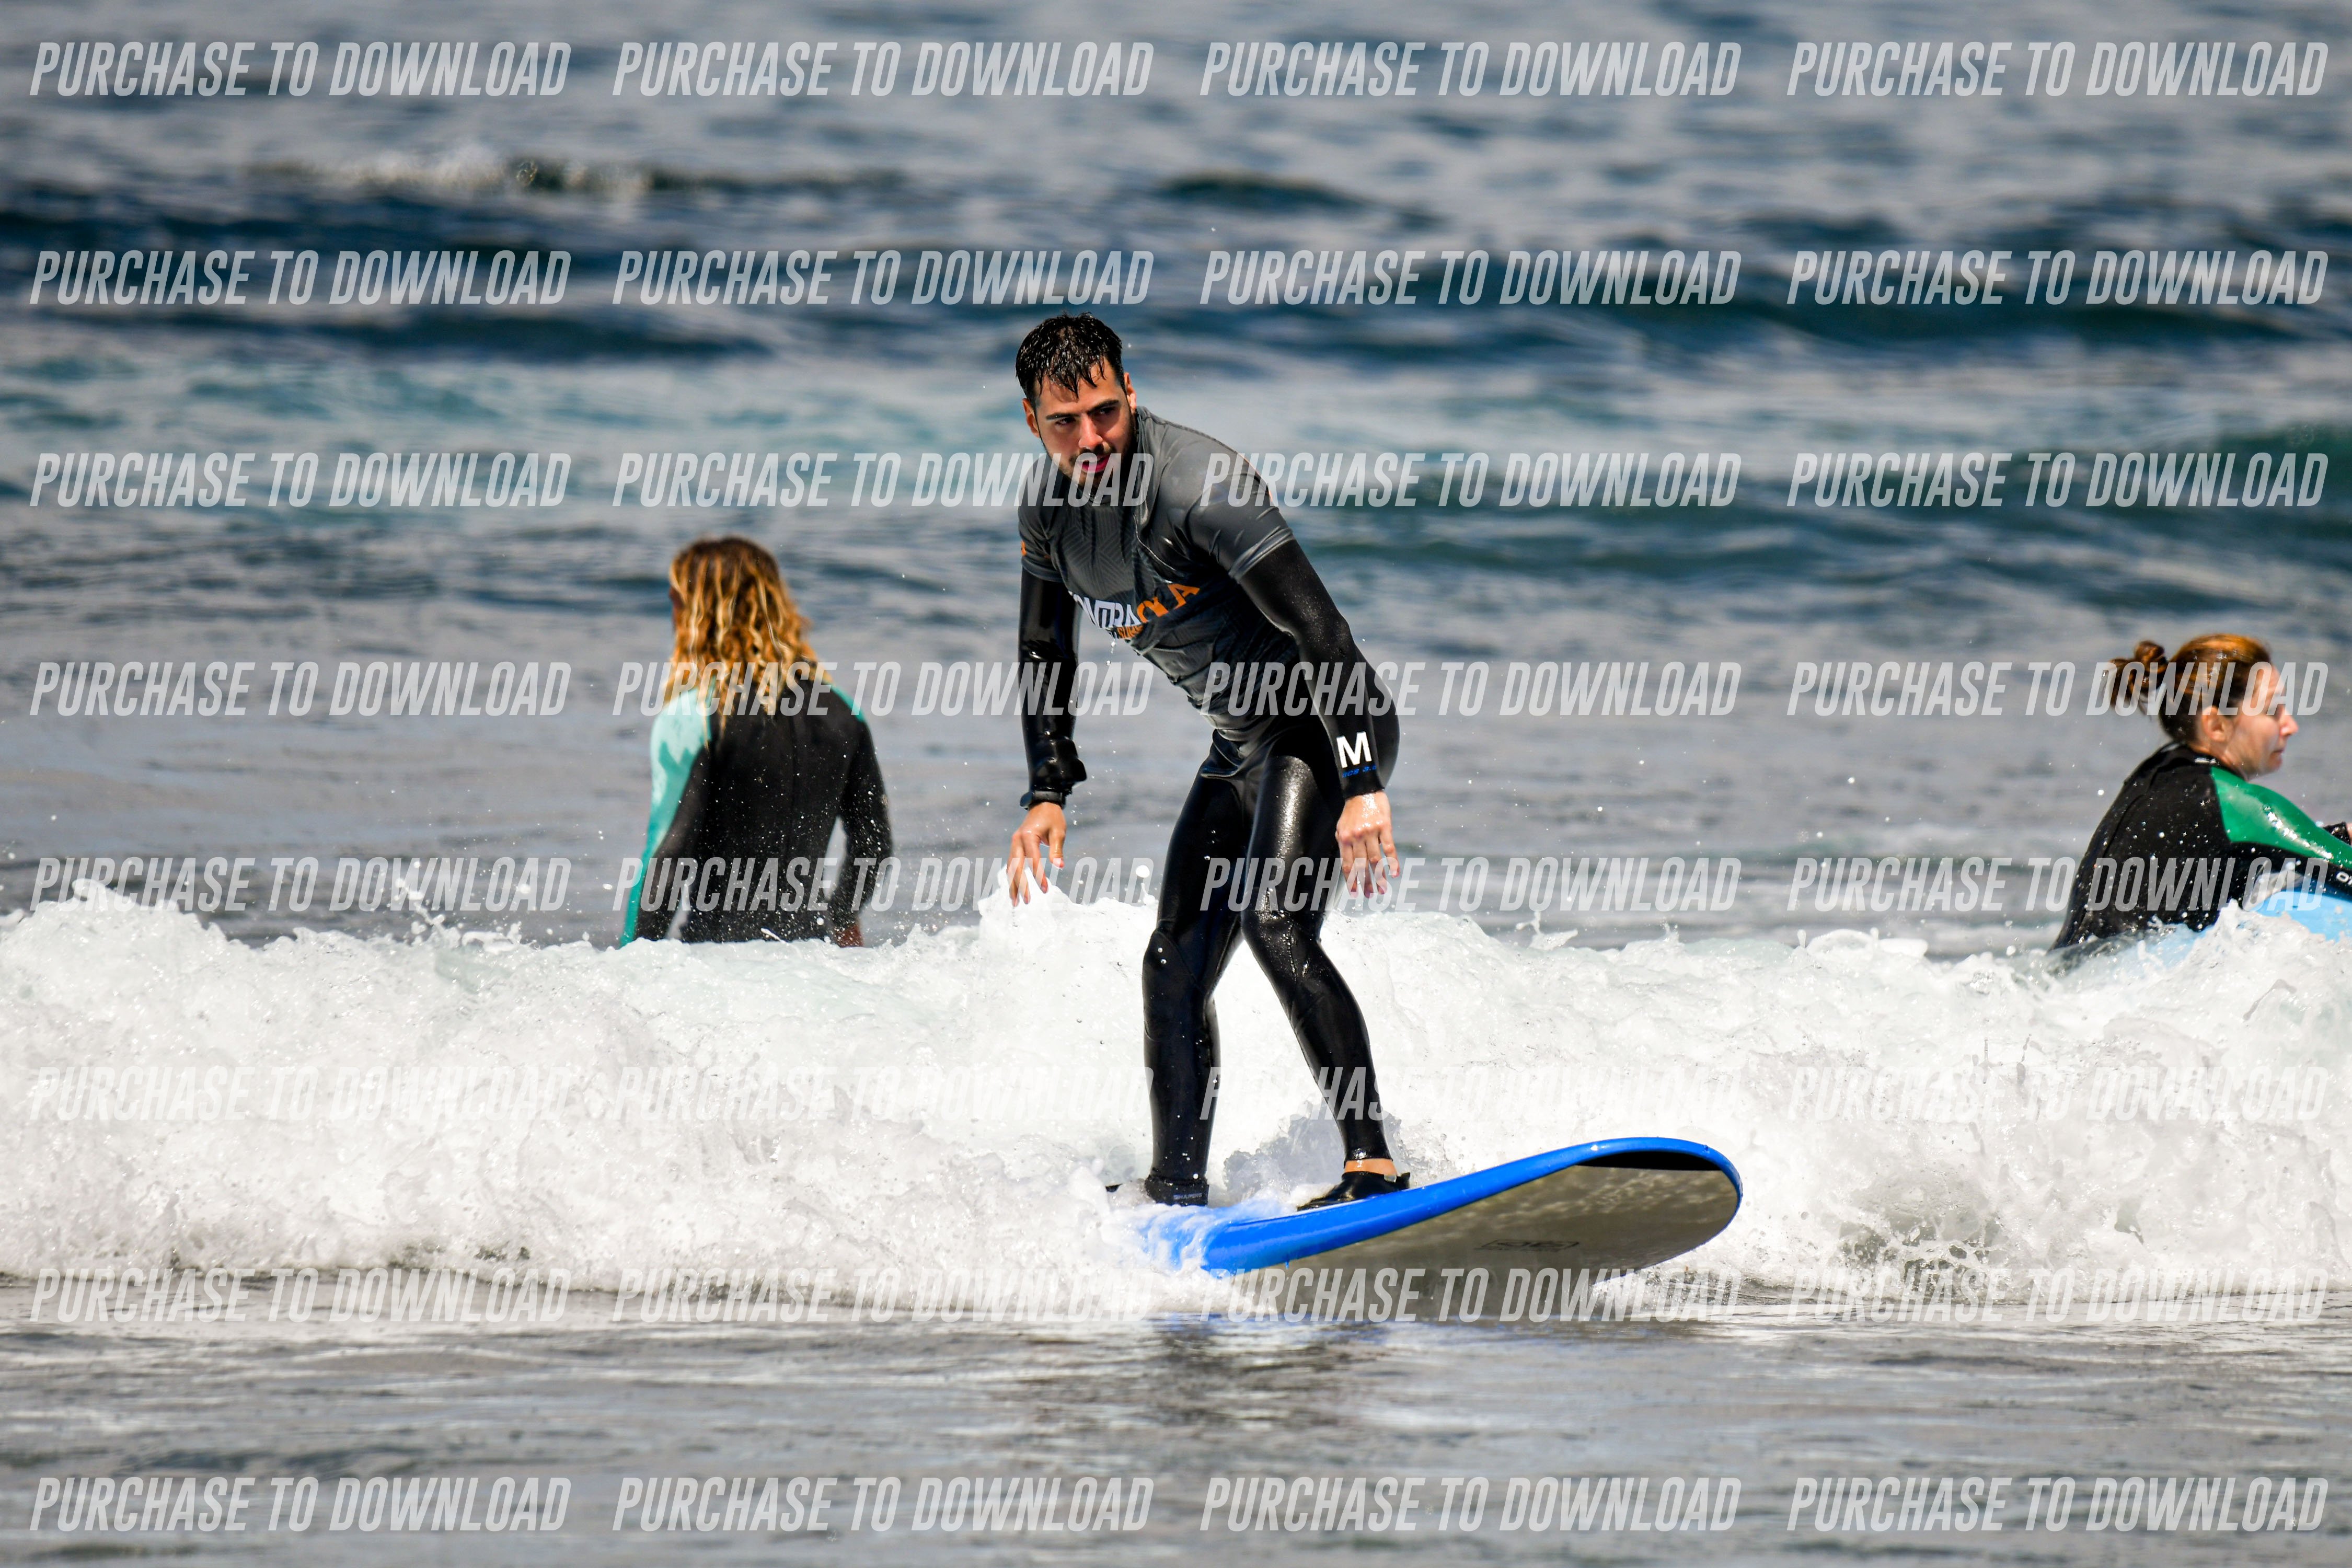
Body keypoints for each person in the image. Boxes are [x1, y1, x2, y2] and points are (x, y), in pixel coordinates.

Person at [1001, 313, 1406, 1210]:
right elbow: (1044, 651)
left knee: (1275, 924)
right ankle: (1176, 1187)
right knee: (1172, 963)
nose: (1091, 438)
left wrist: (1361, 784)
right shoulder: (1050, 514)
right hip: (1241, 743)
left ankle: (1373, 1165)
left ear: (1130, 392)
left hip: (1323, 726)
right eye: (1064, 422)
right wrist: (1047, 790)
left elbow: (1323, 631)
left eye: (1105, 412)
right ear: (1033, 421)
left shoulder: (1200, 486)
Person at [624, 536, 891, 946]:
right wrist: (841, 919)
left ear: (698, 613)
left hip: (719, 961)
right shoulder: (842, 711)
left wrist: (632, 960)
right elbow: (875, 844)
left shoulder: (698, 715)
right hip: (813, 960)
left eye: (676, 601)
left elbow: (666, 858)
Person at [2054, 632, 2352, 951]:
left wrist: (2340, 834)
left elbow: (2274, 847)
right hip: (2129, 976)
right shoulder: (2229, 802)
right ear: (2217, 725)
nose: (2290, 725)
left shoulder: (2157, 775)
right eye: (2271, 710)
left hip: (2072, 970)